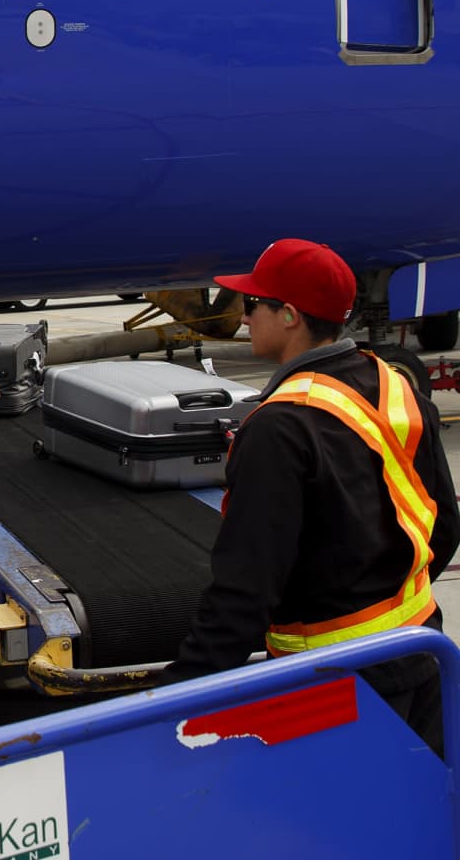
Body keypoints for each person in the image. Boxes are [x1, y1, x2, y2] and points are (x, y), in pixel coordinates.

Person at [166, 239, 458, 754]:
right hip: (420, 655)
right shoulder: (393, 384)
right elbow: (446, 525)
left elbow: (245, 595)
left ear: (290, 316)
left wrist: (173, 700)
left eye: (253, 304)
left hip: (333, 687)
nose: (244, 315)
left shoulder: (279, 428)